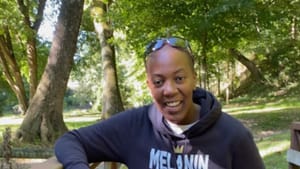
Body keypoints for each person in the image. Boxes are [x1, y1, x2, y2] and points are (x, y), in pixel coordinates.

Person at [54, 36, 265, 169]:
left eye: (179, 78)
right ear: (149, 85)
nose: (170, 90)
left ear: (194, 79)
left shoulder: (233, 136)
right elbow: (70, 141)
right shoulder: (134, 125)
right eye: (158, 81)